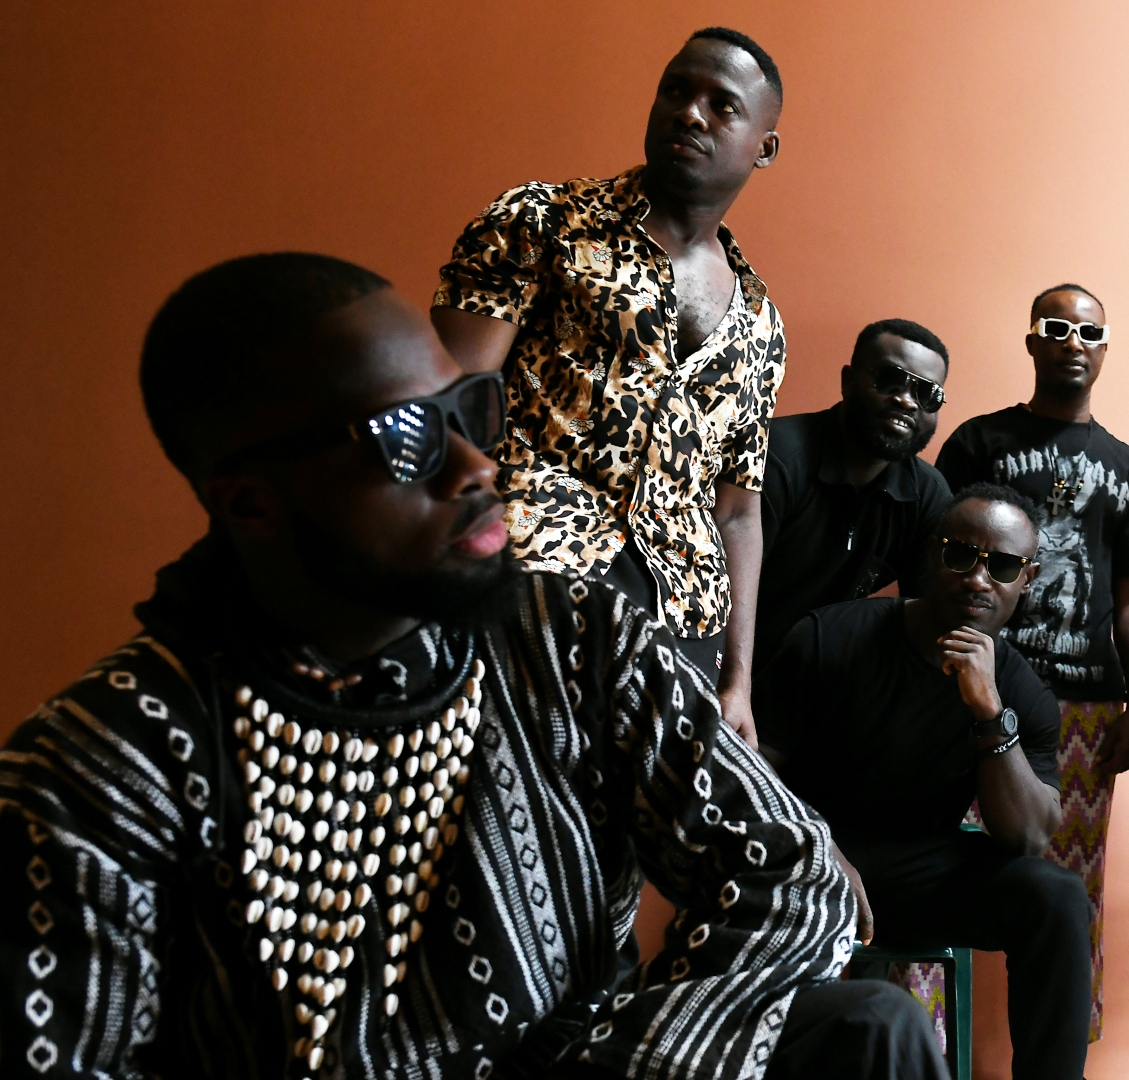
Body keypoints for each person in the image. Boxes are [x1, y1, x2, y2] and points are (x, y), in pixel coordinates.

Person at [0, 254, 947, 1080]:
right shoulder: (98, 768)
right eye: (405, 437)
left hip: (591, 1062)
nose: (475, 466)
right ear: (251, 504)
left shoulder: (569, 634)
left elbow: (792, 873)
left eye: (468, 410)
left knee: (872, 1028)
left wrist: (641, 1058)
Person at [431, 27, 788, 747]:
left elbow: (738, 512)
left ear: (764, 147)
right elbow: (450, 410)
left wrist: (738, 681)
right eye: (676, 90)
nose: (690, 113)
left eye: (722, 105)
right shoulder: (543, 222)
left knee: (631, 821)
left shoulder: (761, 324)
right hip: (534, 579)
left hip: (681, 624)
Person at [756, 485, 1094, 1080]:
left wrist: (990, 714)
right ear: (933, 555)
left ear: (1027, 579)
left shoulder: (1020, 691)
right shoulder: (830, 636)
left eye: (1003, 566)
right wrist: (815, 847)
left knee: (1056, 896)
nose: (978, 579)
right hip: (807, 861)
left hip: (921, 873)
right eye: (961, 555)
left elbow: (1028, 837)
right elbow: (752, 772)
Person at [934, 284, 1129, 1039]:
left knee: (1071, 883)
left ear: (1104, 348)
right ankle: (915, 1044)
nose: (1074, 341)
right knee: (937, 862)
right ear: (1032, 340)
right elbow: (934, 564)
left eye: (1089, 331)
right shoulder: (978, 443)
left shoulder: (1126, 468)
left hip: (1084, 708)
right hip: (973, 687)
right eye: (1056, 327)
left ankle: (1062, 1046)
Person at [751, 318, 953, 685]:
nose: (907, 401)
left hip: (819, 682)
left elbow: (930, 617)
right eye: (891, 380)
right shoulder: (776, 459)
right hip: (730, 666)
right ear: (848, 381)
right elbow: (717, 597)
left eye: (927, 394)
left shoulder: (927, 495)